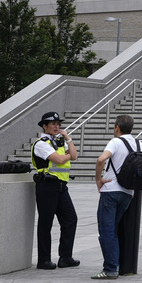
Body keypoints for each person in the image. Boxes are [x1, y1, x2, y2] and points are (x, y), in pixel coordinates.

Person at [92, 114, 142, 280]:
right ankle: (116, 264)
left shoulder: (115, 142)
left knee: (107, 231)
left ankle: (110, 268)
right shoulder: (139, 144)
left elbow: (101, 160)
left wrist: (98, 179)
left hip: (111, 191)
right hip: (128, 193)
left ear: (117, 128)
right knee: (113, 229)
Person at [32, 111, 81, 270]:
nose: (56, 126)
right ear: (44, 126)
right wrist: (66, 155)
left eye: (58, 124)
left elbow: (74, 156)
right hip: (47, 185)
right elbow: (61, 159)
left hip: (61, 186)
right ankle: (43, 260)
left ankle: (65, 257)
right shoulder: (41, 143)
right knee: (46, 223)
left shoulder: (61, 141)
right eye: (52, 124)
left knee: (70, 219)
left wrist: (68, 139)